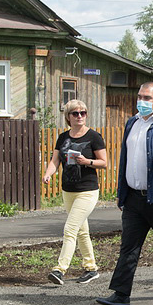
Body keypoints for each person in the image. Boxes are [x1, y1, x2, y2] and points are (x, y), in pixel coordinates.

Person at [96, 82, 153, 305]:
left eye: (147, 98)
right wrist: (121, 192)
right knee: (128, 246)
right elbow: (125, 159)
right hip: (134, 198)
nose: (142, 102)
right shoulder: (132, 123)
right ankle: (120, 293)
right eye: (140, 97)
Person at [42, 100, 107, 285]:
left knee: (70, 229)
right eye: (75, 113)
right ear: (68, 117)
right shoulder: (63, 138)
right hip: (68, 190)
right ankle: (91, 268)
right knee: (81, 231)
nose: (80, 116)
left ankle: (59, 269)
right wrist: (48, 174)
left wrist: (88, 162)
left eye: (83, 113)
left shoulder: (94, 136)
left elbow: (104, 162)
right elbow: (55, 161)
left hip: (87, 190)